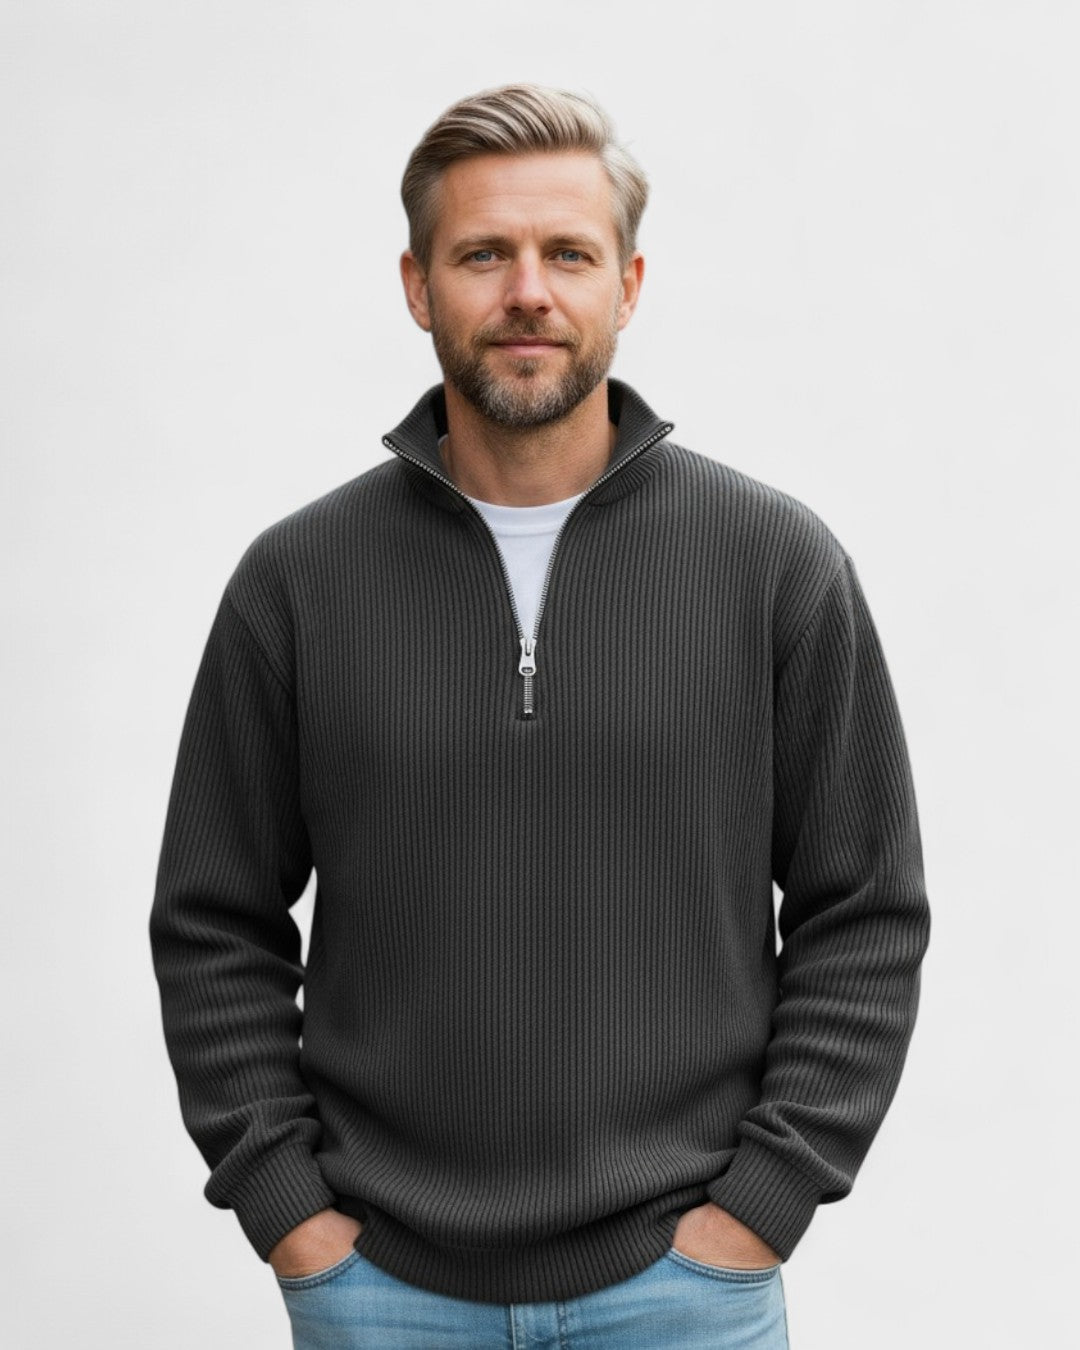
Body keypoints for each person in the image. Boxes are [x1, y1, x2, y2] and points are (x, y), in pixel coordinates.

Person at [150, 83, 931, 1349]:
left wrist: (763, 1207)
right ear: (418, 286)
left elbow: (867, 907)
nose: (528, 292)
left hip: (684, 1292)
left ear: (628, 285)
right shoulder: (297, 583)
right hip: (382, 1293)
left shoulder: (775, 565)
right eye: (483, 255)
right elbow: (211, 921)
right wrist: (291, 1214)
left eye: (568, 253)